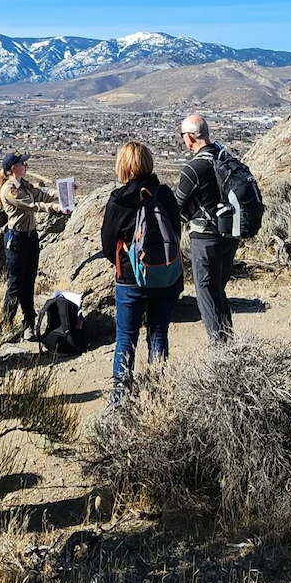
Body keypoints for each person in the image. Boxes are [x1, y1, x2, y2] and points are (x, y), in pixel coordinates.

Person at [101, 141, 184, 402]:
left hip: (130, 279)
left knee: (126, 337)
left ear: (123, 166)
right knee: (159, 330)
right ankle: (159, 395)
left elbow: (107, 245)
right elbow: (176, 233)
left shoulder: (119, 201)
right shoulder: (165, 195)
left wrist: (125, 263)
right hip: (166, 277)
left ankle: (120, 400)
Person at [176, 114, 239, 343]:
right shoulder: (225, 159)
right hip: (230, 235)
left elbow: (177, 205)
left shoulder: (194, 168)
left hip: (205, 238)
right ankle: (227, 343)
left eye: (183, 135)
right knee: (219, 292)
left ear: (191, 137)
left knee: (206, 294)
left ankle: (219, 352)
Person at [0, 151, 66, 340]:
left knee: (29, 282)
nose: (26, 166)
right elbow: (32, 205)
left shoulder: (24, 185)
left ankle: (28, 324)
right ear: (13, 168)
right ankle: (6, 324)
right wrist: (57, 208)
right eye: (23, 164)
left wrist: (63, 192)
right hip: (17, 240)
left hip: (30, 238)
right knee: (15, 284)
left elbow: (41, 194)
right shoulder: (9, 190)